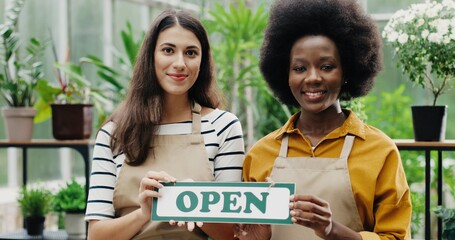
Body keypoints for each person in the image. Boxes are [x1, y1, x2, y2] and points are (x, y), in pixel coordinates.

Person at [240, 0, 412, 239]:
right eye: (299, 68)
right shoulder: (260, 154)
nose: (312, 78)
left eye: (327, 66)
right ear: (284, 75)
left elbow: (396, 237)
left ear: (347, 72)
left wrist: (332, 230)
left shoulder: (380, 152)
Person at [85, 9, 245, 240]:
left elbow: (233, 234)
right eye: (168, 50)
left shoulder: (223, 127)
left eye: (191, 52)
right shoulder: (115, 133)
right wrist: (144, 213)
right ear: (151, 56)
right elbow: (96, 235)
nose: (179, 63)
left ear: (202, 61)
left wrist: (196, 203)